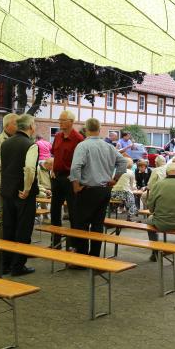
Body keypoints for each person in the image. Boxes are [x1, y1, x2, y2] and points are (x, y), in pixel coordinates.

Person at [70, 118, 126, 257]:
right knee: (97, 224)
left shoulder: (83, 145)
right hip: (104, 190)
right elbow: (123, 162)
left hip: (88, 189)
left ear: (86, 129)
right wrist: (114, 179)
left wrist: (76, 185)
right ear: (100, 129)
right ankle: (94, 255)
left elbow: (76, 166)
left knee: (81, 224)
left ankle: (82, 257)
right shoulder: (108, 146)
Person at [0, 114, 39, 276]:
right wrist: (28, 188)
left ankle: (5, 264)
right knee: (23, 229)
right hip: (23, 194)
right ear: (30, 127)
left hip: (7, 191)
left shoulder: (5, 143)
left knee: (8, 228)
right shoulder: (31, 145)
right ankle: (18, 266)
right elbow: (29, 169)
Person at [50, 110, 84, 248]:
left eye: (62, 120)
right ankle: (56, 242)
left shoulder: (79, 139)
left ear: (71, 122)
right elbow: (55, 155)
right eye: (59, 120)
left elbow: (82, 162)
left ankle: (73, 244)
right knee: (54, 210)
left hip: (71, 179)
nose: (60, 122)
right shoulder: (57, 136)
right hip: (57, 177)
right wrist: (53, 168)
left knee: (73, 212)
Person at [0, 113, 19, 239]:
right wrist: (16, 164)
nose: (18, 126)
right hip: (3, 183)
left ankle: (12, 242)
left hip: (16, 183)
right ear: (7, 125)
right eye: (15, 123)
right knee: (3, 215)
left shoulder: (18, 138)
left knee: (15, 215)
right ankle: (1, 244)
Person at [36, 157, 53, 223]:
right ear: (47, 164)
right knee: (43, 195)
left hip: (50, 188)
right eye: (52, 166)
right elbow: (37, 184)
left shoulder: (50, 169)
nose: (52, 168)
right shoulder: (38, 169)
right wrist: (45, 190)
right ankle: (45, 217)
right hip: (41, 189)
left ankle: (66, 214)